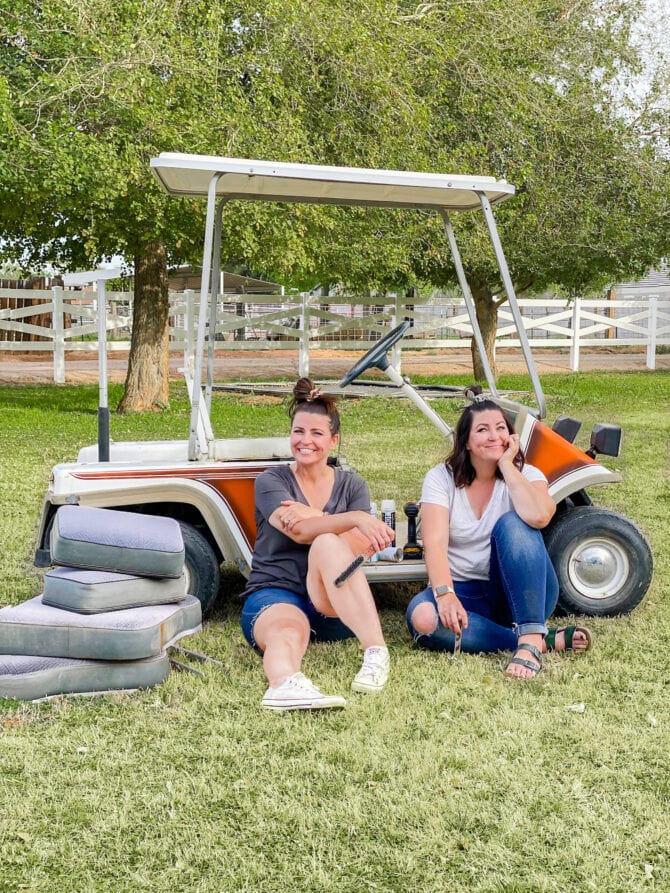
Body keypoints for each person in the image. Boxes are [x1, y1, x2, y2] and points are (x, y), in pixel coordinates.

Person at [406, 397, 592, 679]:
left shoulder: (528, 474)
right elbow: (435, 542)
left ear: (510, 436)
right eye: (482, 430)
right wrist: (445, 594)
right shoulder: (441, 478)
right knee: (423, 619)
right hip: (464, 592)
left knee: (514, 522)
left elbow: (541, 516)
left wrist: (507, 465)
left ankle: (529, 640)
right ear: (466, 441)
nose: (494, 436)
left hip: (522, 591)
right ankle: (538, 641)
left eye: (500, 428)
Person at [241, 377, 396, 710]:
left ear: (333, 440)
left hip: (332, 601)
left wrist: (313, 516)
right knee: (287, 630)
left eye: (316, 433)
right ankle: (284, 685)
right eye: (298, 431)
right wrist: (354, 519)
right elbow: (297, 532)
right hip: (277, 590)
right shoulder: (272, 481)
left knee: (327, 542)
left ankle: (376, 652)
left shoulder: (352, 485)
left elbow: (359, 546)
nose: (305, 441)